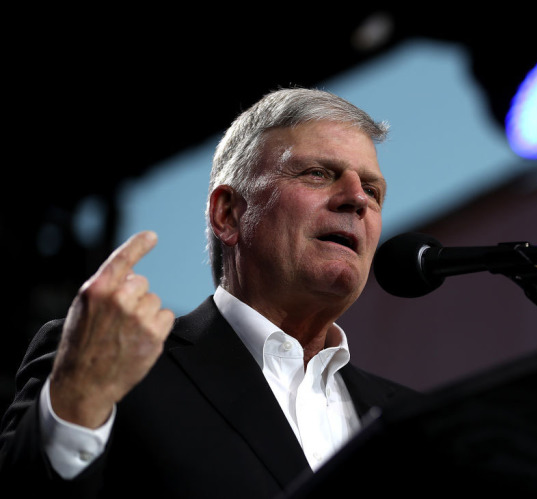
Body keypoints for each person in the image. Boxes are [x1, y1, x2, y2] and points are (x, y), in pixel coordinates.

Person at [0, 88, 417, 498]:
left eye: (373, 190)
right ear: (228, 214)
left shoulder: (412, 418)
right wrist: (77, 401)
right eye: (318, 174)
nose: (357, 199)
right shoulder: (110, 363)